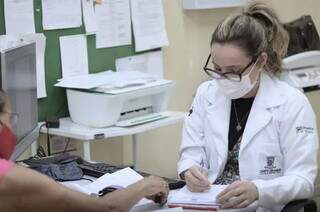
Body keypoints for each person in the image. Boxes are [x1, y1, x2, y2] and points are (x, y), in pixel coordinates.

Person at [177, 2, 318, 212]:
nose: (222, 78)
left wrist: (258, 190)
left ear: (260, 61)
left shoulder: (291, 103)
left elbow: (303, 180)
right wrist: (189, 170)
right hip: (206, 203)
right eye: (217, 68)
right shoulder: (206, 94)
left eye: (233, 71)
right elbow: (191, 153)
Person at [0, 90, 169, 212]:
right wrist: (143, 186)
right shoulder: (12, 178)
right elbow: (107, 208)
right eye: (9, 117)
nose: (11, 126)